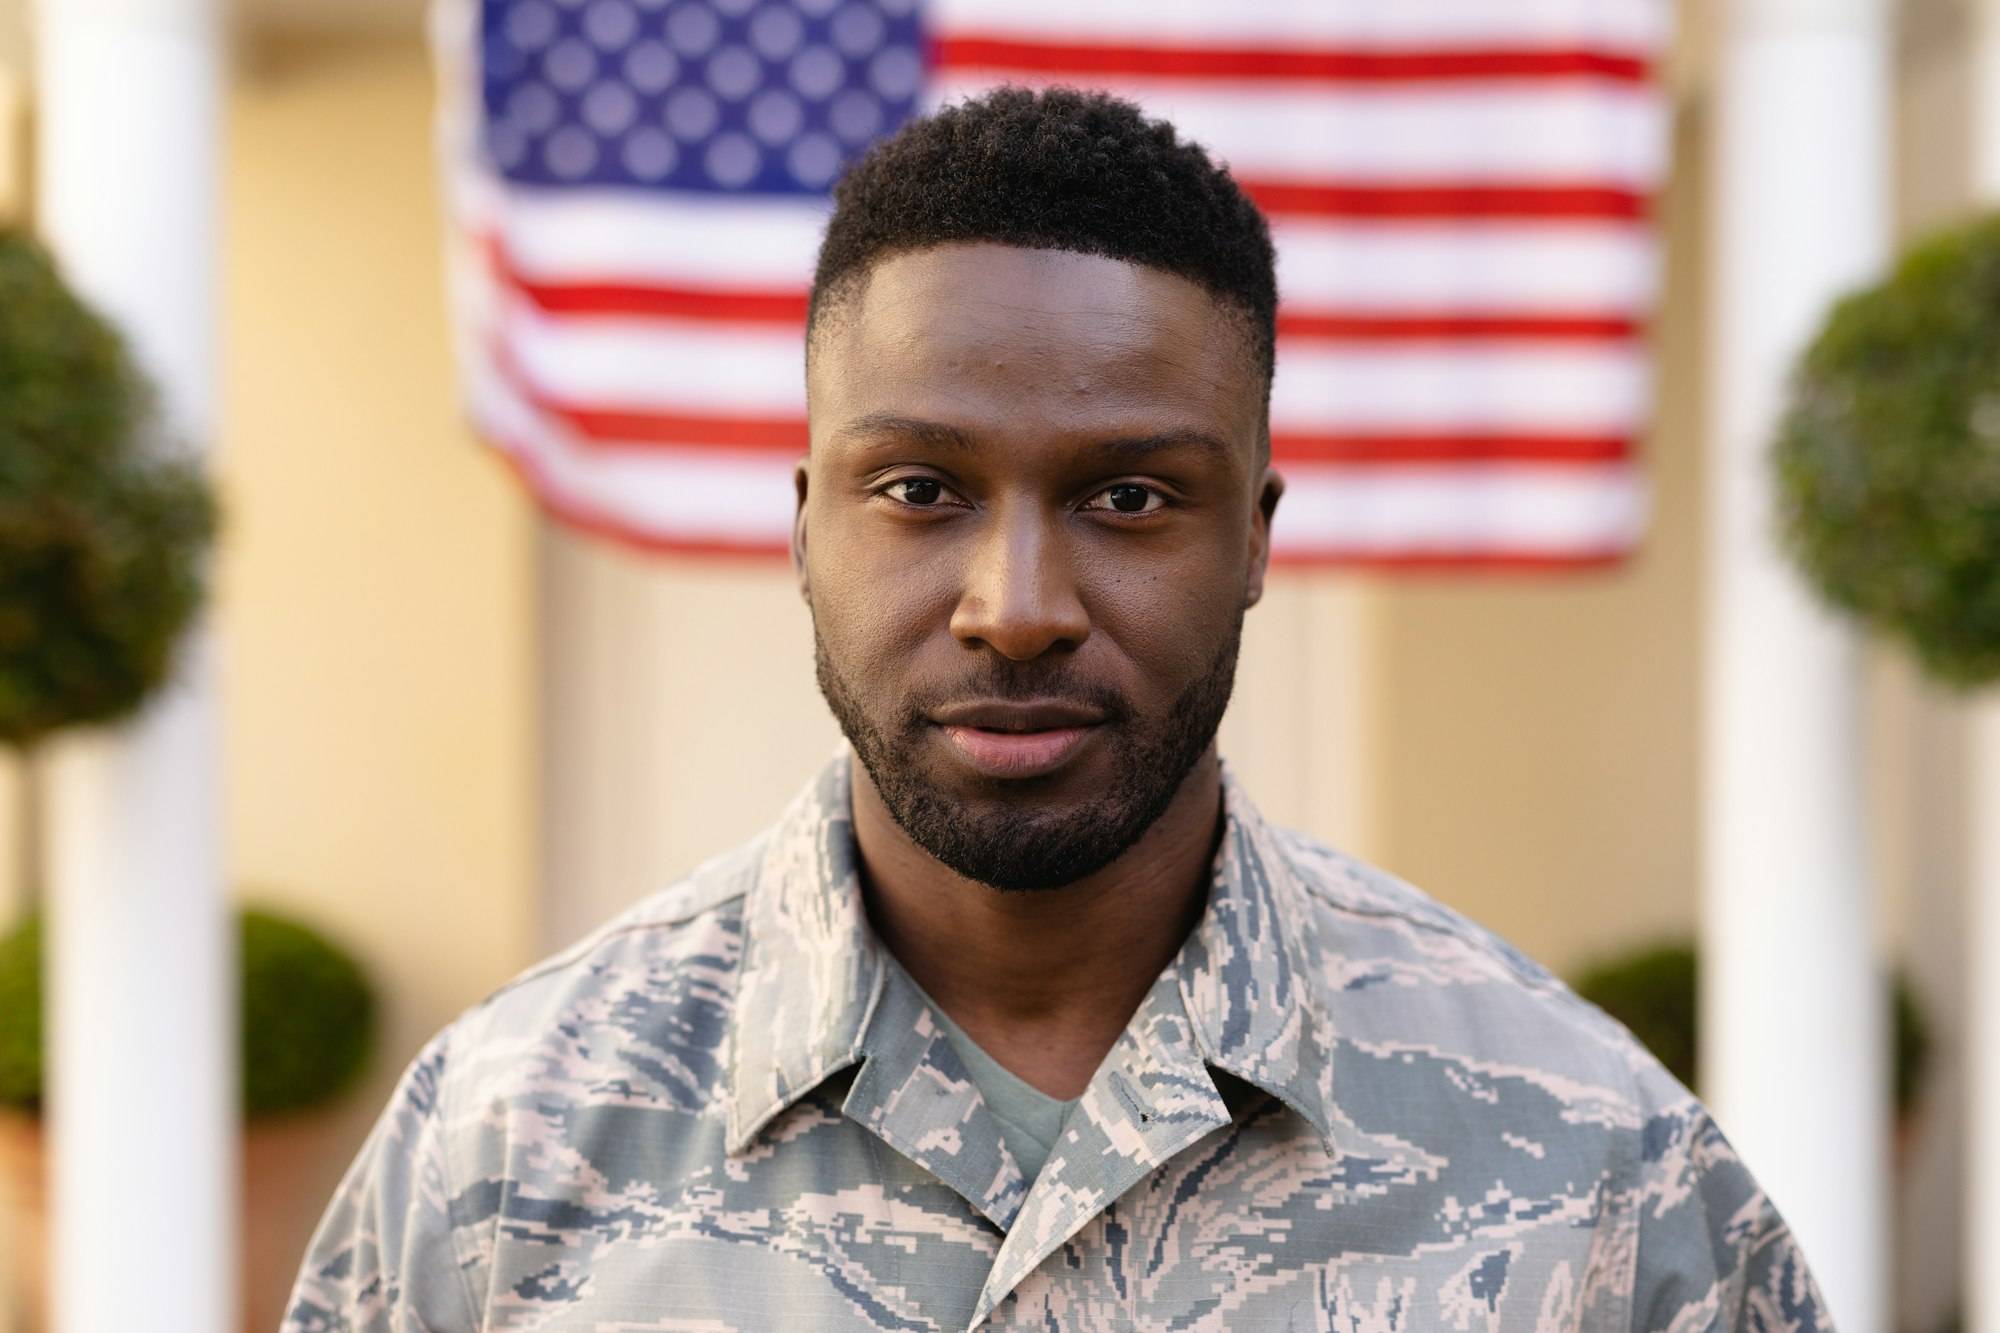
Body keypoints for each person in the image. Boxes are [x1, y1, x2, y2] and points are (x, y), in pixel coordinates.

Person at [284, 88, 1828, 1332]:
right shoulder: (502, 1145)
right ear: (806, 522)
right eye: (920, 489)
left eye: (1131, 495)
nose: (1015, 602)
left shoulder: (1592, 1163)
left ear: (1256, 541)